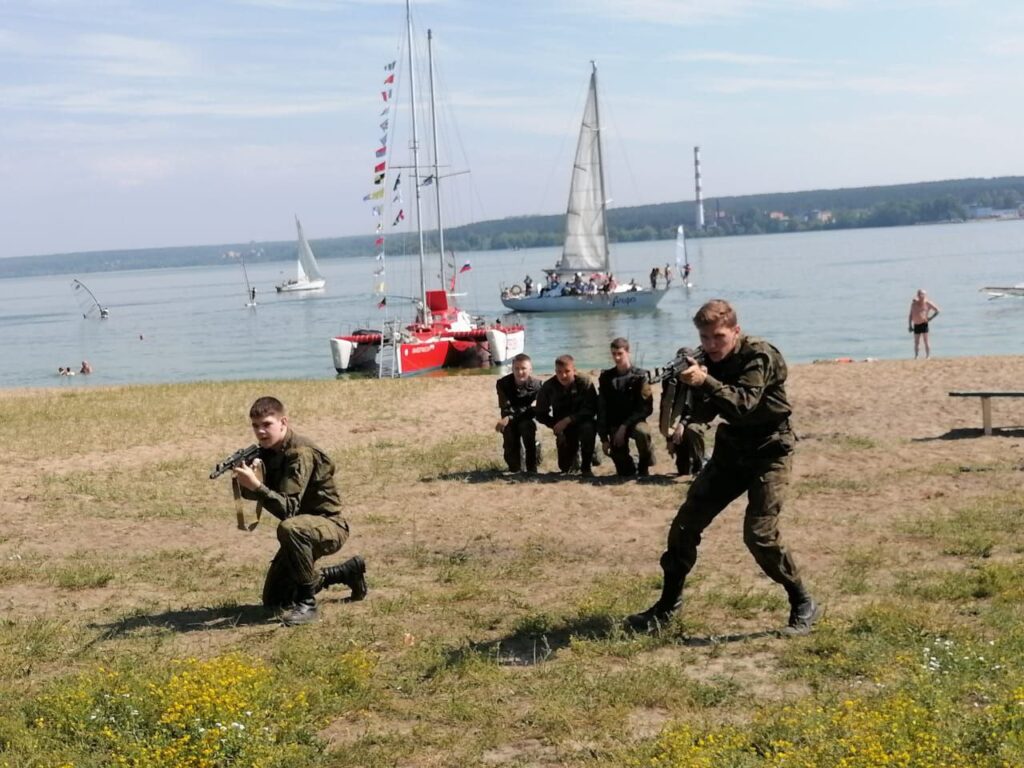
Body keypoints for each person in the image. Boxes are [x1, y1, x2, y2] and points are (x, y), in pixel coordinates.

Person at [626, 300, 820, 635]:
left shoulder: (759, 355)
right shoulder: (706, 362)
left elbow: (743, 404)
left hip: (770, 450)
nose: (712, 345)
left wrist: (705, 382)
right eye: (705, 338)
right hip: (732, 451)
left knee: (759, 535)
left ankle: (802, 599)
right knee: (685, 526)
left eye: (719, 337)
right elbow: (704, 414)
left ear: (736, 331)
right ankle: (667, 605)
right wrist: (686, 387)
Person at [232, 396, 367, 626]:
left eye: (267, 424)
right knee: (274, 600)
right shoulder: (268, 452)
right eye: (255, 426)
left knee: (290, 528)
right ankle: (344, 573)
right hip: (301, 529)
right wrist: (246, 480)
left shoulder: (300, 453)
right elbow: (257, 496)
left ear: (283, 422)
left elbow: (288, 509)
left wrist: (256, 485)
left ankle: (308, 604)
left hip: (328, 525)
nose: (260, 432)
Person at [598, 338, 655, 477]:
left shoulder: (641, 376)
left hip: (635, 421)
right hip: (615, 424)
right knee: (625, 472)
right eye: (613, 354)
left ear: (628, 352)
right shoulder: (606, 377)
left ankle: (644, 464)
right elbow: (602, 408)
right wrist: (604, 439)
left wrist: (625, 426)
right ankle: (631, 464)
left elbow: (646, 408)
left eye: (620, 353)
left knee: (642, 432)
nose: (616, 357)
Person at [534, 355, 599, 478]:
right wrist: (555, 424)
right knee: (566, 468)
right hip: (563, 427)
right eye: (559, 372)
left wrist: (569, 419)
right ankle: (575, 454)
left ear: (574, 370)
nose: (563, 376)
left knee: (588, 428)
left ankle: (587, 466)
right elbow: (540, 413)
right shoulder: (549, 386)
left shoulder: (585, 382)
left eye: (567, 371)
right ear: (555, 371)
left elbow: (592, 408)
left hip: (582, 421)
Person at [658, 347, 708, 476]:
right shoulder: (671, 380)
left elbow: (700, 408)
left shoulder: (699, 377)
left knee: (693, 429)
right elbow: (666, 408)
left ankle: (700, 462)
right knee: (683, 470)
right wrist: (669, 438)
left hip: (696, 419)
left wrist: (683, 423)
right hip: (677, 422)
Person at [495, 353, 543, 473]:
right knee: (514, 466)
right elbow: (505, 406)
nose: (520, 372)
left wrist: (510, 416)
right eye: (516, 368)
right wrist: (508, 417)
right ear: (512, 369)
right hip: (509, 419)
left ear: (530, 369)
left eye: (523, 368)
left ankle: (532, 467)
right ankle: (516, 467)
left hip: (527, 418)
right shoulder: (502, 383)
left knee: (526, 428)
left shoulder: (538, 385)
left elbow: (533, 410)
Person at [908, 288, 940, 359]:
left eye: (922, 294)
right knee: (916, 342)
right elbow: (910, 315)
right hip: (916, 324)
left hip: (924, 324)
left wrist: (930, 318)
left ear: (925, 295)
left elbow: (937, 310)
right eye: (919, 294)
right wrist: (910, 325)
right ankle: (916, 356)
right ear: (917, 295)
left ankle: (928, 356)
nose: (921, 296)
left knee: (926, 341)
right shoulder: (914, 304)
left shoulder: (927, 303)